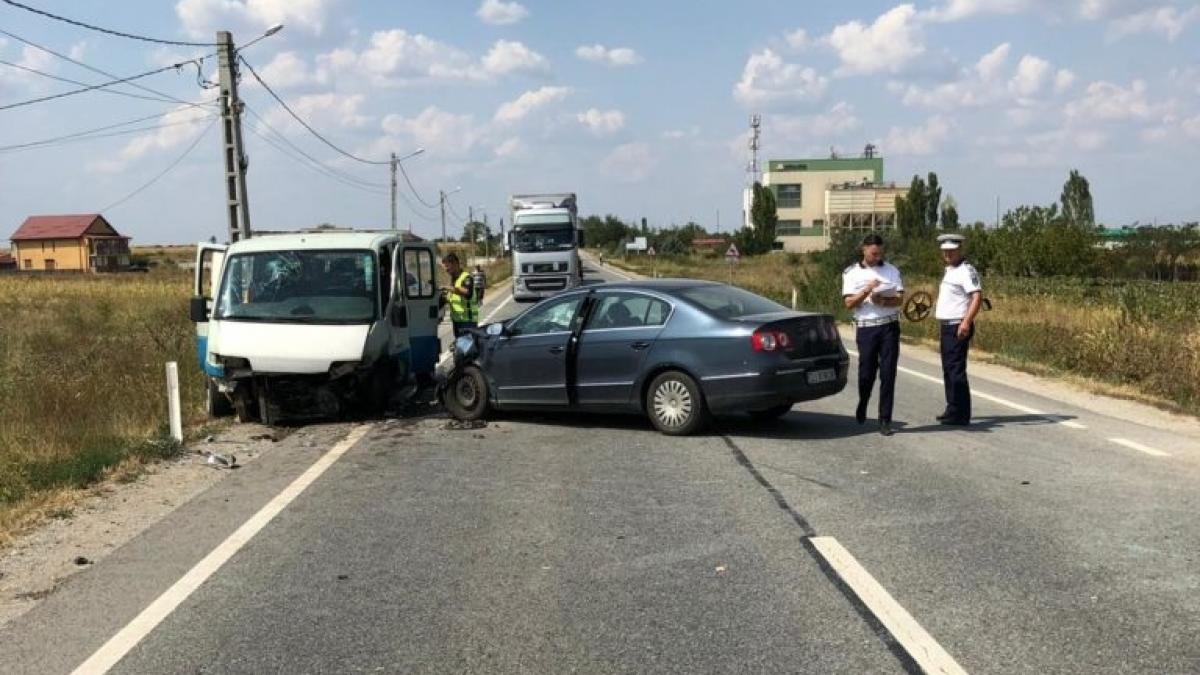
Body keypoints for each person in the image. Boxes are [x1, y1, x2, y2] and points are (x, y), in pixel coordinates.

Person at [842, 234, 904, 436]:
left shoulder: (892, 270)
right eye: (873, 253)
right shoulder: (851, 273)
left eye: (880, 253)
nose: (877, 257)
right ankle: (863, 401)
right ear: (864, 250)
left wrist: (884, 301)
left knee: (888, 373)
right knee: (866, 373)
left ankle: (885, 419)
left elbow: (900, 299)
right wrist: (867, 291)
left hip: (889, 327)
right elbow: (849, 303)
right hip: (866, 328)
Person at [934, 233, 983, 426]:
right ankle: (952, 408)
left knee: (956, 370)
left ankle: (962, 414)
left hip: (957, 325)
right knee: (948, 369)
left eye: (951, 251)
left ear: (959, 250)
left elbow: (977, 297)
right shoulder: (950, 270)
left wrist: (966, 322)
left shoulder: (966, 270)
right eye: (945, 251)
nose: (948, 254)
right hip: (947, 325)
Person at [440, 253, 478, 337]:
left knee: (468, 348)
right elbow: (451, 297)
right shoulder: (453, 280)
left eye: (448, 267)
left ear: (456, 264)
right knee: (460, 347)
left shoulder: (466, 277)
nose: (446, 270)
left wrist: (447, 287)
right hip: (457, 321)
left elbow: (467, 292)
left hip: (468, 322)